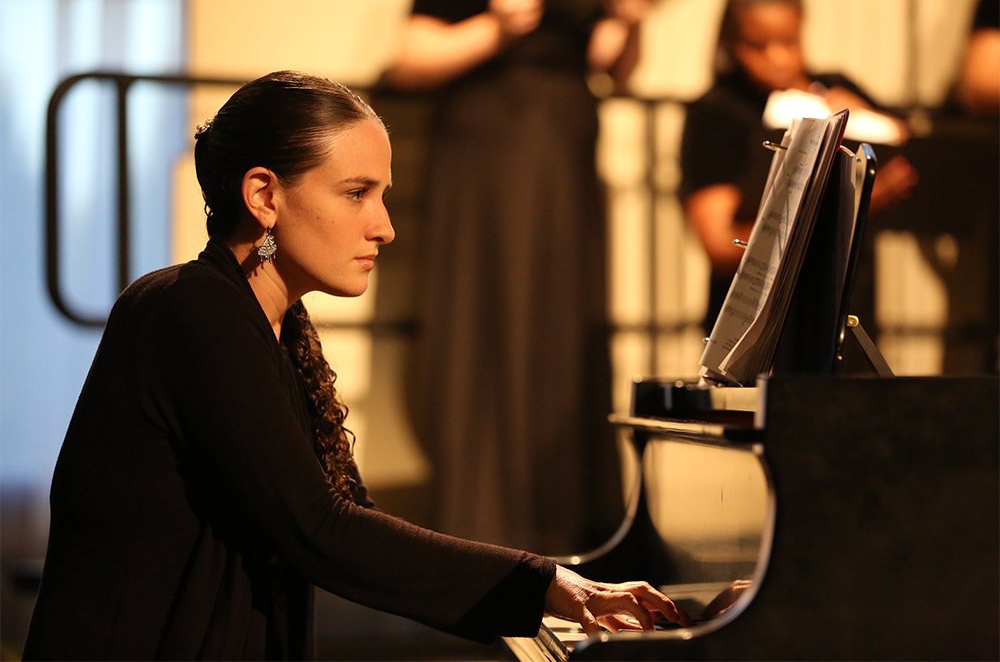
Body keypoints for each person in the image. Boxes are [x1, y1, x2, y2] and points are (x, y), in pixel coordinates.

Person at [21, 71, 690, 661]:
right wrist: (546, 583)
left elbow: (347, 519)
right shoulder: (189, 311)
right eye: (357, 193)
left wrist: (555, 583)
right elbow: (320, 528)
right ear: (263, 195)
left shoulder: (265, 322)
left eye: (383, 194)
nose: (384, 225)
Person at [384, 0, 651, 557]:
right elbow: (409, 61)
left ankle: (569, 517)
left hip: (567, 141)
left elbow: (612, 66)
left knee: (563, 326)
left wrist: (628, 21)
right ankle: (489, 525)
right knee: (493, 316)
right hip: (493, 143)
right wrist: (496, 28)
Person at [680, 0, 919, 336]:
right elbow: (720, 243)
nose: (777, 58)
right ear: (731, 43)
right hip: (757, 318)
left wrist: (865, 117)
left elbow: (917, 164)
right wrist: (843, 206)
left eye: (788, 42)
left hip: (845, 306)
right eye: (758, 45)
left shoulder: (836, 86)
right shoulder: (717, 112)